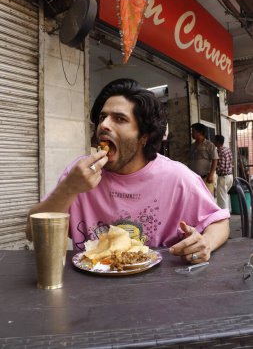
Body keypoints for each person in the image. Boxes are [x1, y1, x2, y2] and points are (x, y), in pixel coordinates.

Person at [26, 78, 230, 264]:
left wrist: (205, 243)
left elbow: (219, 221)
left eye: (119, 119)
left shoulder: (178, 178)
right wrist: (69, 188)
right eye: (102, 117)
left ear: (144, 137)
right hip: (90, 291)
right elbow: (31, 233)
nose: (104, 125)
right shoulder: (78, 174)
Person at [189, 123, 219, 195]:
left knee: (208, 199)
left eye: (193, 131)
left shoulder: (210, 145)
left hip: (206, 178)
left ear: (200, 132)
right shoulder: (192, 146)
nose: (191, 133)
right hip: (194, 179)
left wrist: (211, 175)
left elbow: (215, 160)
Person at [214, 135, 233, 209]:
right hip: (230, 176)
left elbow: (221, 167)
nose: (213, 142)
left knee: (222, 200)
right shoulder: (227, 149)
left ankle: (224, 217)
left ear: (218, 142)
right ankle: (227, 214)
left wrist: (213, 168)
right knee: (225, 196)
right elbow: (231, 161)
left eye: (214, 140)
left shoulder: (219, 151)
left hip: (223, 177)